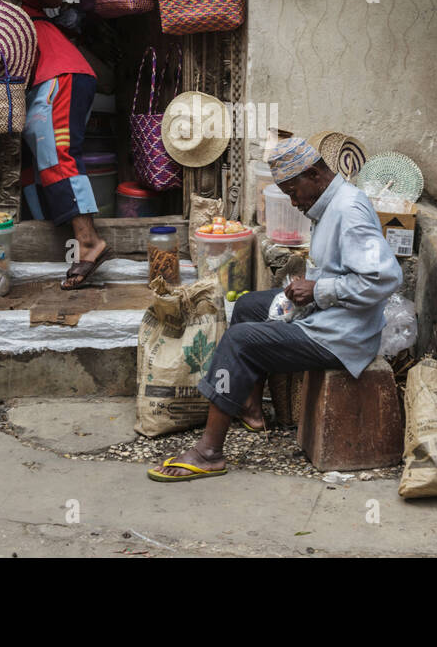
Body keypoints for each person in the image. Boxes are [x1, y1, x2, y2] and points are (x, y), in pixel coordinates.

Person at [148, 136, 403, 481]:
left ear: (313, 175)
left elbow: (384, 279)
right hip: (329, 316)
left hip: (344, 337)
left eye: (293, 192)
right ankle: (251, 407)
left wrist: (318, 289)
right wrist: (314, 288)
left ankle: (208, 452)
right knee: (249, 306)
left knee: (240, 341)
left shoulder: (348, 211)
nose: (293, 201)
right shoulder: (331, 205)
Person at [0, 0, 111, 290]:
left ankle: (89, 241)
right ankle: (52, 235)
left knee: (58, 153)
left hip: (60, 72)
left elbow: (55, 0)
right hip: (34, 85)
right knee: (34, 163)